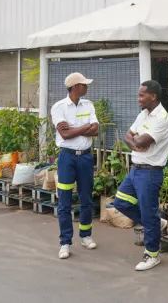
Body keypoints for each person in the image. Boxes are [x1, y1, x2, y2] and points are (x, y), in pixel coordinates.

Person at [114, 80, 168, 271]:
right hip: (136, 169)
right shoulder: (143, 114)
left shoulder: (162, 119)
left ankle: (152, 255)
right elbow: (129, 136)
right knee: (120, 202)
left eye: (142, 95)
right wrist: (137, 143)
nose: (138, 98)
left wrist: (138, 141)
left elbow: (141, 139)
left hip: (150, 172)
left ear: (153, 96)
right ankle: (156, 223)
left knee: (148, 215)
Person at [51, 72, 100, 259]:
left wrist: (75, 130)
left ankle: (86, 235)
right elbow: (65, 135)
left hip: (86, 158)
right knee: (64, 200)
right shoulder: (59, 107)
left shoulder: (89, 105)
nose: (86, 87)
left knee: (86, 198)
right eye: (83, 84)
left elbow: (95, 130)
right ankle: (65, 242)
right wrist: (84, 128)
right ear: (74, 87)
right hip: (67, 158)